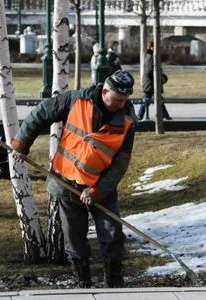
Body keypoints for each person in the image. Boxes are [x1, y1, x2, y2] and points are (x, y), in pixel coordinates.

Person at [10, 70, 136, 289]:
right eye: (117, 99)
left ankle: (115, 285)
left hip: (101, 188)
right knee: (74, 238)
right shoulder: (77, 99)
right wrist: (22, 143)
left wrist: (97, 191)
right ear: (105, 90)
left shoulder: (127, 122)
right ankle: (83, 284)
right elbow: (41, 113)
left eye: (124, 100)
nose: (120, 104)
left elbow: (120, 164)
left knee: (112, 235)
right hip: (66, 182)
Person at [138, 41, 172, 121]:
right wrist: (159, 77)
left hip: (151, 82)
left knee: (158, 100)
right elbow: (150, 71)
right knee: (147, 99)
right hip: (151, 83)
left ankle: (165, 115)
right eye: (155, 47)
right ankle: (139, 115)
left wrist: (161, 76)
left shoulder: (151, 56)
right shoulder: (150, 57)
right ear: (151, 47)